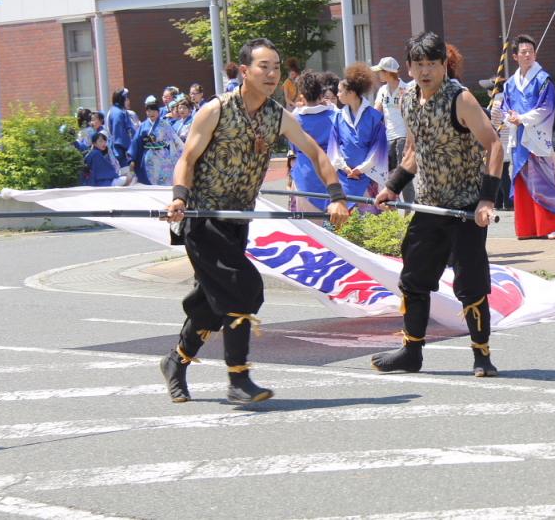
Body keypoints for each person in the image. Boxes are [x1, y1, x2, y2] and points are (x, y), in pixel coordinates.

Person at [162, 37, 350, 404]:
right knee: (243, 288)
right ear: (245, 71)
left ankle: (176, 361)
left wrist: (337, 196)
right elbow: (187, 158)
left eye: (277, 67)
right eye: (264, 66)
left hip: (237, 222)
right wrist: (179, 198)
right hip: (203, 220)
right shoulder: (215, 110)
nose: (272, 74)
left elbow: (314, 152)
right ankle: (238, 378)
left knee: (213, 303)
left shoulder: (277, 115)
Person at [370, 31, 503, 377]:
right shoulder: (406, 99)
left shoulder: (461, 99)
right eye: (419, 64)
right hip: (430, 205)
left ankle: (482, 356)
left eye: (433, 63)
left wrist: (486, 200)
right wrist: (393, 187)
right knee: (413, 279)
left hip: (465, 207)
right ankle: (411, 351)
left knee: (470, 283)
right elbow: (413, 153)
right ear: (410, 68)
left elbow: (494, 146)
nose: (426, 70)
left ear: (445, 65)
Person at [503, 34, 555, 239]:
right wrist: (510, 117)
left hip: (536, 137)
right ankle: (527, 227)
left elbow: (547, 108)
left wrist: (522, 118)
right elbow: (505, 107)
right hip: (519, 136)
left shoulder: (542, 79)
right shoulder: (510, 83)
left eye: (530, 51)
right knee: (522, 181)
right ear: (515, 56)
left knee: (544, 180)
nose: (528, 54)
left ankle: (553, 225)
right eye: (523, 52)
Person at [330, 63, 388, 205]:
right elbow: (334, 147)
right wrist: (344, 166)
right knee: (344, 221)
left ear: (351, 93)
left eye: (340, 91)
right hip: (344, 176)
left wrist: (361, 169)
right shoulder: (338, 117)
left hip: (368, 176)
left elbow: (379, 149)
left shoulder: (375, 117)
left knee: (368, 220)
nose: (337, 95)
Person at [291, 70, 339, 211]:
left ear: (302, 96)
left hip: (304, 176)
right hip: (332, 174)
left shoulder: (294, 119)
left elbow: (293, 148)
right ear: (321, 94)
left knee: (307, 229)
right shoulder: (336, 115)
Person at [372, 56, 415, 205]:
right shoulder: (382, 90)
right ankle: (391, 207)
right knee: (390, 175)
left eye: (380, 71)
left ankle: (409, 208)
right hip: (389, 136)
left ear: (388, 72)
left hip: (404, 136)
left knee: (405, 173)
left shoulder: (406, 88)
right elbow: (376, 112)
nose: (378, 74)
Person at [129, 97, 184, 186]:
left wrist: (183, 153)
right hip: (149, 159)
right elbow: (136, 142)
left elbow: (175, 140)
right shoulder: (143, 126)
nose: (151, 113)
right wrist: (132, 159)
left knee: (165, 182)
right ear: (146, 112)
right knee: (149, 183)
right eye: (149, 111)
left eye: (154, 110)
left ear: (158, 111)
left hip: (164, 158)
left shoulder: (164, 124)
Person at [481, 76, 513, 210]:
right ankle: (500, 201)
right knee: (501, 172)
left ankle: (508, 202)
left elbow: (491, 124)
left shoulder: (496, 104)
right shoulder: (506, 100)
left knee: (502, 172)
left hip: (500, 141)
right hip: (507, 140)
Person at [106, 88, 134, 167]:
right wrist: (129, 149)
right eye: (126, 98)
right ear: (121, 99)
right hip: (121, 153)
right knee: (126, 176)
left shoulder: (119, 111)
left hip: (122, 151)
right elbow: (119, 137)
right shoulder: (117, 113)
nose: (128, 100)